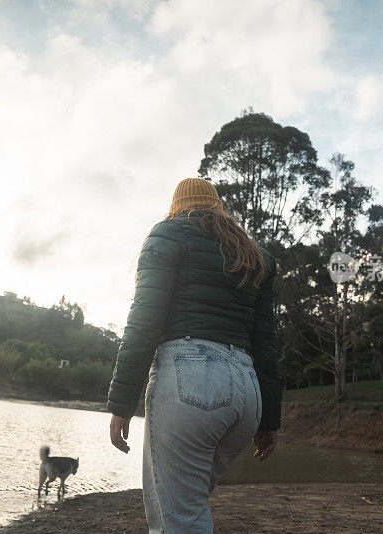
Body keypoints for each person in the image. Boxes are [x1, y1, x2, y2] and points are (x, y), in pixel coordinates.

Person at [107, 177, 283, 533]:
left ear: (176, 207)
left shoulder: (168, 234)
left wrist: (121, 403)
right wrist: (269, 421)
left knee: (179, 518)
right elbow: (266, 342)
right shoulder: (256, 256)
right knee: (190, 505)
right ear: (217, 208)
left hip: (191, 384)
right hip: (247, 392)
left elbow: (144, 322)